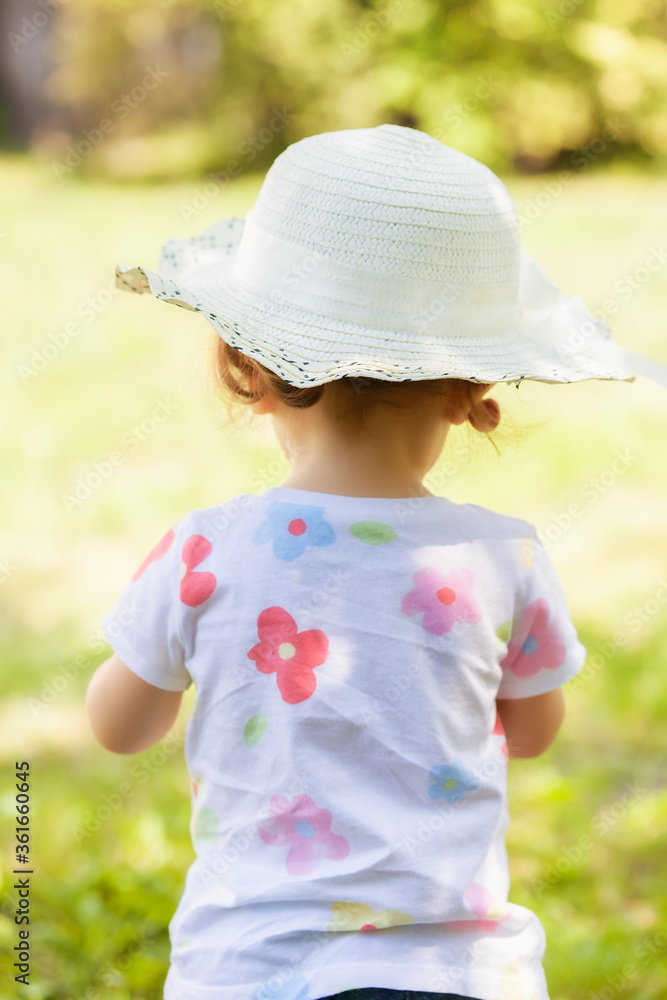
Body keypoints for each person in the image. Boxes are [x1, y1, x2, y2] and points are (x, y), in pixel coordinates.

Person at [86, 124, 666, 1000]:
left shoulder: (204, 549)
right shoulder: (503, 556)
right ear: (474, 391)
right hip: (462, 974)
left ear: (249, 367)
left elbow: (118, 727)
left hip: (252, 972)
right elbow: (536, 733)